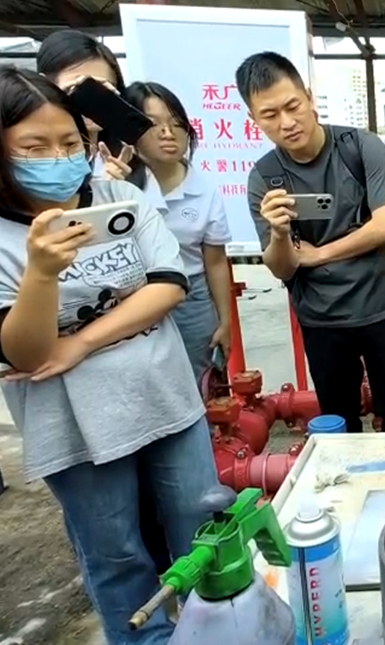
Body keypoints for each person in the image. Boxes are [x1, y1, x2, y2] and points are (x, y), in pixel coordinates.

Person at [0, 67, 217, 645]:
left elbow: (167, 285)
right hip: (75, 428)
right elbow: (24, 351)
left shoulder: (122, 199)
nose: (58, 158)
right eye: (35, 147)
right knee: (115, 551)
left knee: (201, 527)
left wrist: (80, 342)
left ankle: (216, 629)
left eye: (70, 142)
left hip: (165, 397)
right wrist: (41, 275)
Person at [238, 51, 385, 434]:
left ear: (309, 97)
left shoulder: (360, 147)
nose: (286, 122)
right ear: (254, 119)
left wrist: (318, 255)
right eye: (269, 115)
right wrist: (279, 232)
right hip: (322, 319)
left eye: (292, 106)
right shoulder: (264, 177)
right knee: (338, 423)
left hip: (384, 309)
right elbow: (281, 267)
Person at [123, 81, 232, 377]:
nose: (167, 133)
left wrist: (225, 322)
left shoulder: (204, 190)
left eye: (176, 124)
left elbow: (215, 262)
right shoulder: (115, 185)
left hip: (191, 299)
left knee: (200, 382)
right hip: (130, 298)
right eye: (153, 124)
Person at [36, 29, 133, 181]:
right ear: (44, 86)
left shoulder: (127, 158)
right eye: (79, 86)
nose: (94, 98)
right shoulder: (30, 162)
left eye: (105, 87)